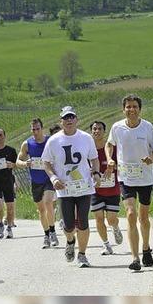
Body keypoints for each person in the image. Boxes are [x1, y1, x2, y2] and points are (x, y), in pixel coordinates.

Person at [105, 95, 153, 271]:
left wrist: (151, 159)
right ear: (123, 109)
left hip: (145, 178)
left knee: (143, 217)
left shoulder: (147, 127)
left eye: (135, 106)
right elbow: (109, 144)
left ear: (140, 109)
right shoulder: (117, 127)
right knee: (130, 214)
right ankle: (135, 257)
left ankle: (146, 248)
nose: (132, 109)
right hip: (126, 177)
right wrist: (109, 159)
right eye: (128, 107)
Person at [42, 106, 100, 267]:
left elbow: (94, 159)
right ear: (61, 122)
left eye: (71, 117)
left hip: (84, 187)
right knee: (68, 226)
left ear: (77, 120)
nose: (69, 120)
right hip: (64, 189)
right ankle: (70, 240)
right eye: (65, 118)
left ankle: (82, 254)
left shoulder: (86, 138)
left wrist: (96, 173)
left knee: (83, 222)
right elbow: (45, 162)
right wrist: (53, 178)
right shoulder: (54, 141)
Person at [17, 118, 59, 249]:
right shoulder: (27, 144)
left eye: (37, 129)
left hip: (48, 178)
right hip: (35, 181)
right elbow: (18, 160)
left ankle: (52, 231)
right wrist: (25, 163)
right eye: (33, 129)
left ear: (42, 128)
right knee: (41, 210)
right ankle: (46, 235)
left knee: (48, 202)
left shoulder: (49, 141)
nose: (35, 131)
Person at [90, 121, 123, 255]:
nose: (96, 131)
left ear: (104, 132)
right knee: (98, 218)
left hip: (112, 189)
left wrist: (113, 166)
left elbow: (120, 163)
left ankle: (115, 227)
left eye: (99, 129)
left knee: (111, 219)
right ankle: (106, 245)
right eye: (94, 129)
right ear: (91, 131)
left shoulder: (111, 149)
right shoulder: (88, 149)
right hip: (95, 189)